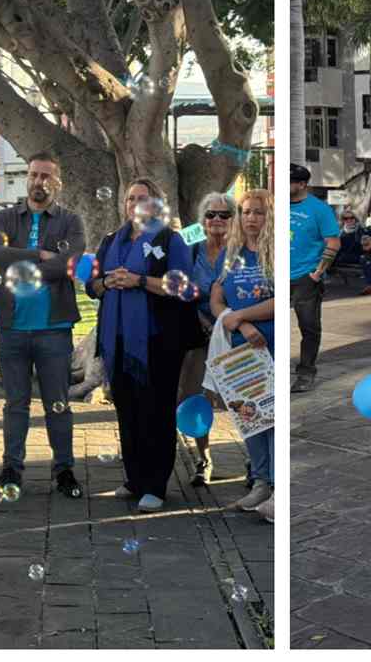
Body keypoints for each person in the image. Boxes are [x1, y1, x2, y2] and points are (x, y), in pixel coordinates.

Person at [0, 148, 87, 500]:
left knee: (57, 402)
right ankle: (12, 466)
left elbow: (69, 264)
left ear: (57, 182)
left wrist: (25, 263)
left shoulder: (70, 222)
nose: (38, 181)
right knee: (15, 403)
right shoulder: (6, 218)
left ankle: (64, 469)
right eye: (33, 175)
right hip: (13, 327)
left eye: (45, 175)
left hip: (54, 329)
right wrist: (41, 255)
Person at [88, 178, 195, 513]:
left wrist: (139, 281)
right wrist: (107, 281)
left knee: (156, 412)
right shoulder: (110, 241)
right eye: (130, 198)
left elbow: (183, 286)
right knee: (127, 410)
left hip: (157, 340)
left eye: (142, 198)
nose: (135, 203)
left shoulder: (169, 238)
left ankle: (155, 484)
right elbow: (92, 285)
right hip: (116, 338)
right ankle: (133, 478)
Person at [174, 191, 239, 482]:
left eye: (224, 215)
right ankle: (204, 459)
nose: (216, 220)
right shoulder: (190, 246)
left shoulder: (242, 247)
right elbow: (178, 287)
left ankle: (255, 463)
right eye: (210, 214)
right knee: (194, 396)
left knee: (242, 396)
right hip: (197, 331)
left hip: (235, 330)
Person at [287, 162, 340, 395]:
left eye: (289, 181)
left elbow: (333, 242)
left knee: (308, 326)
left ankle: (306, 372)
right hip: (276, 275)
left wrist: (318, 272)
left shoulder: (319, 209)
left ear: (302, 184)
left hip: (305, 276)